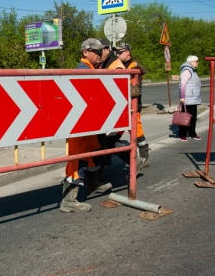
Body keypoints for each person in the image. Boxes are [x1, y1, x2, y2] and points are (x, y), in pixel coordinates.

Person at [60, 38, 112, 213]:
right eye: (96, 52)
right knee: (75, 162)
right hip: (79, 127)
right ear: (85, 52)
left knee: (92, 154)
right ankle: (68, 201)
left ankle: (93, 185)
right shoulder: (82, 70)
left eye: (101, 51)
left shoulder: (92, 69)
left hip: (88, 126)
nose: (100, 55)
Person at [106, 43, 149, 169]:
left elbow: (134, 88)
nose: (117, 55)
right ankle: (129, 155)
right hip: (122, 107)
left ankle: (144, 158)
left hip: (132, 106)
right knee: (114, 135)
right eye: (116, 53)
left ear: (128, 52)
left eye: (120, 52)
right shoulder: (120, 65)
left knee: (137, 132)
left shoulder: (133, 66)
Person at [178, 55, 202, 141]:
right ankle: (182, 134)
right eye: (196, 61)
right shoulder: (187, 70)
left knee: (193, 117)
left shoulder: (193, 71)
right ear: (191, 62)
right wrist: (182, 97)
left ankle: (192, 133)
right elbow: (183, 85)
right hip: (188, 98)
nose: (198, 63)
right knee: (185, 116)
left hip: (193, 98)